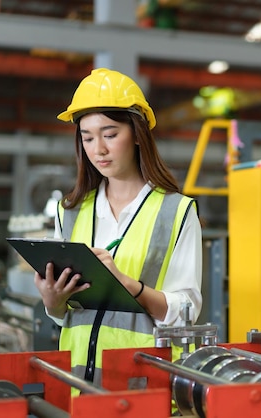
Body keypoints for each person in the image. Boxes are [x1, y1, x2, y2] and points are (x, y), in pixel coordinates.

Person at [33, 68, 203, 386]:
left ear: (137, 134)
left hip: (142, 383)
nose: (99, 149)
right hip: (78, 384)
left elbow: (187, 312)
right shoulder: (68, 212)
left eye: (110, 134)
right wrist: (52, 301)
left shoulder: (177, 212)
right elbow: (63, 314)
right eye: (87, 138)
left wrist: (129, 286)